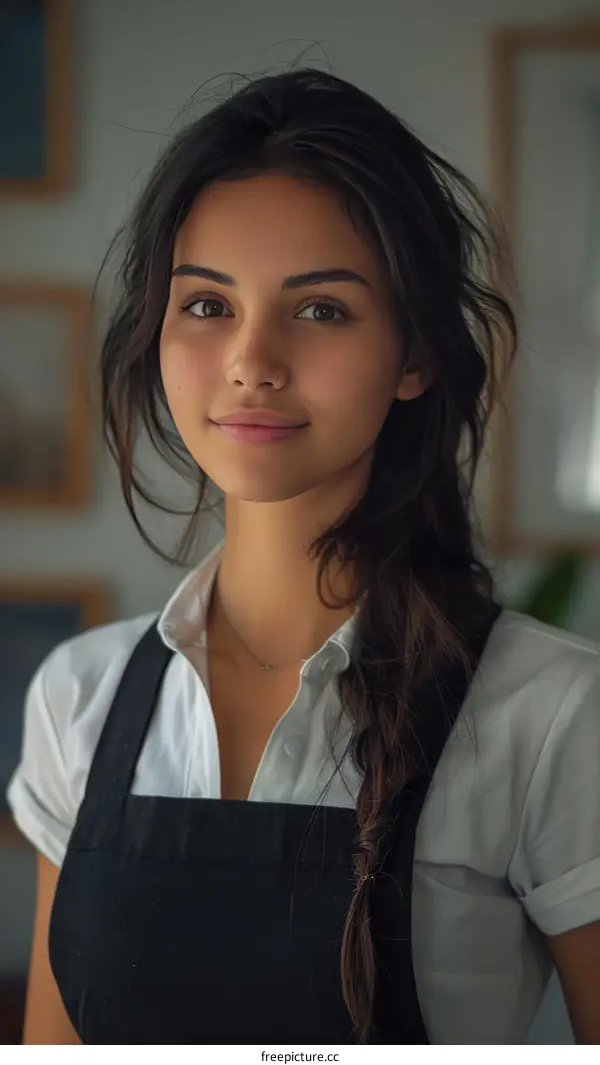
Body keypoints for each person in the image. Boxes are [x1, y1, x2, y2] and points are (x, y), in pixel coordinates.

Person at [7, 63, 600, 1047]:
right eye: (206, 304)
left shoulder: (552, 714)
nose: (252, 358)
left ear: (412, 355)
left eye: (320, 308)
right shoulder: (79, 698)